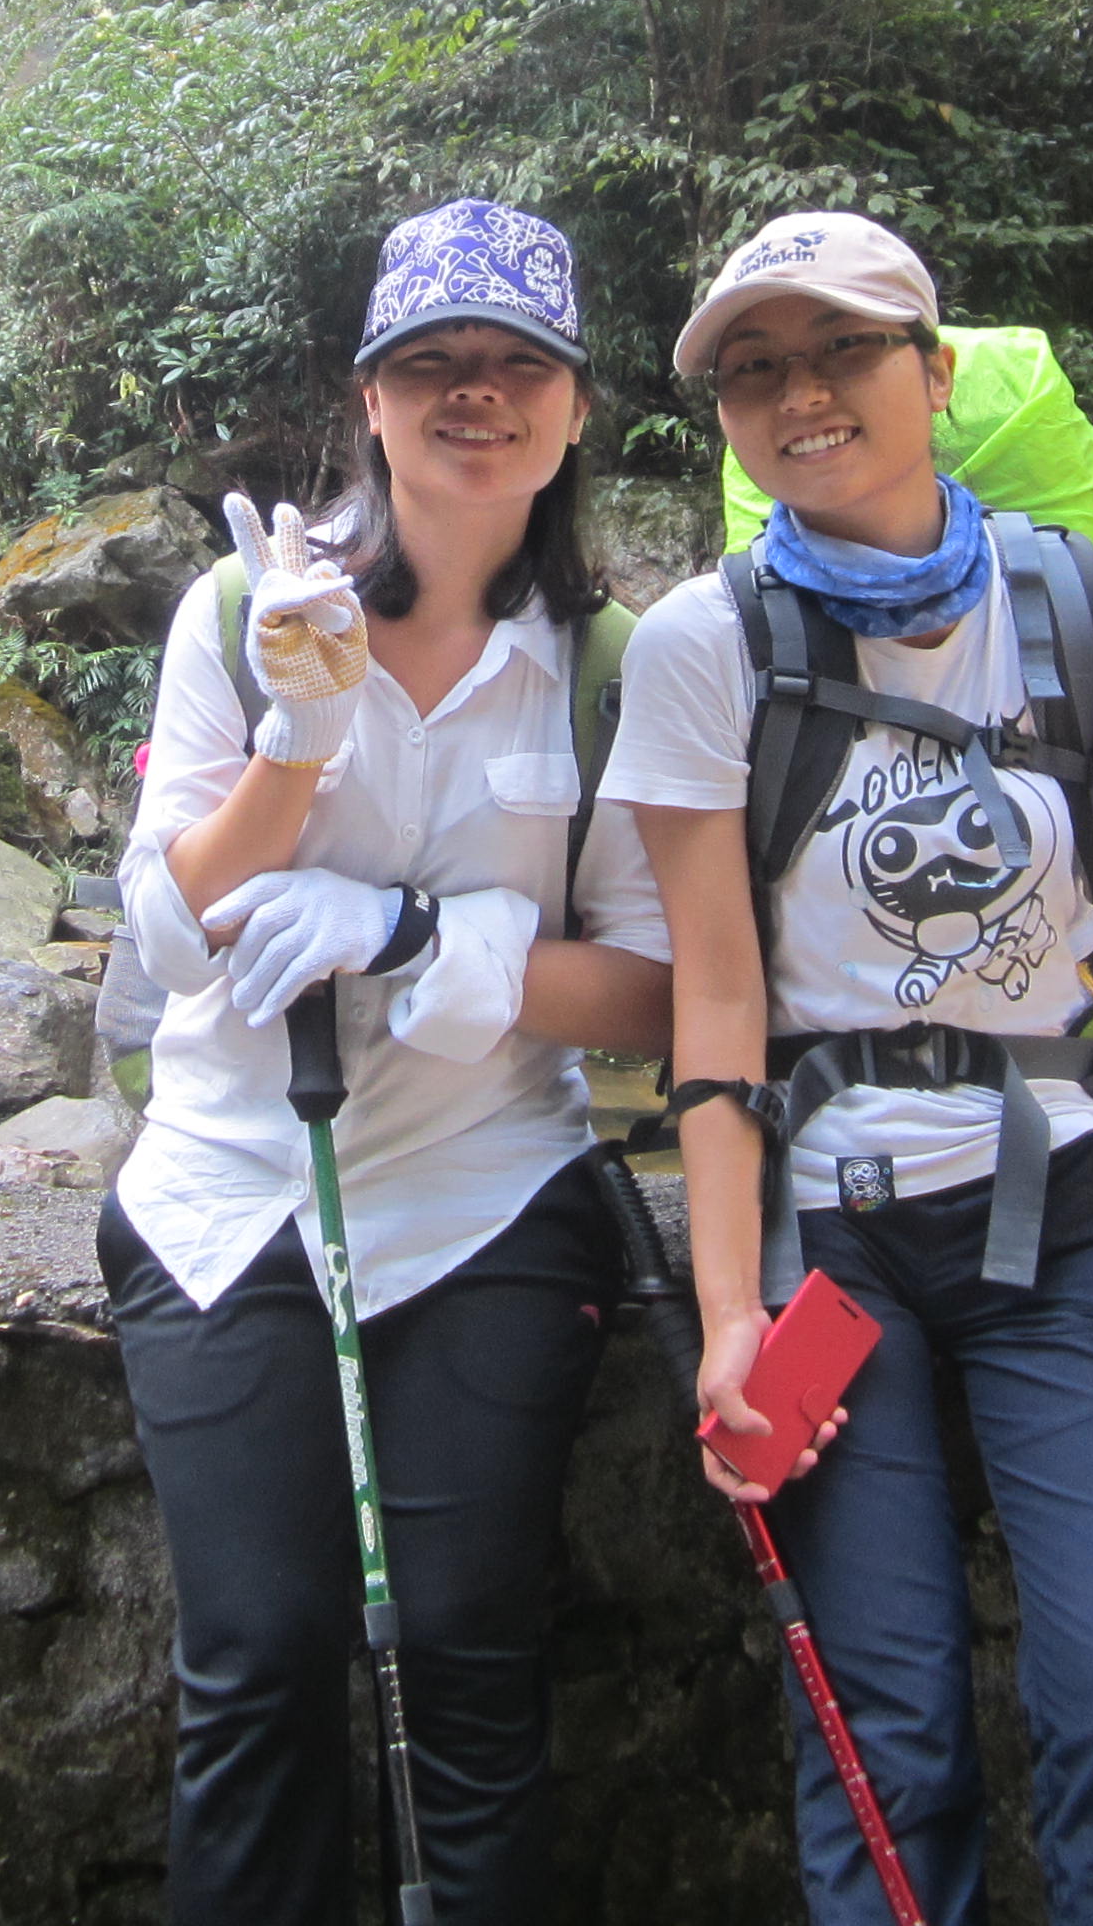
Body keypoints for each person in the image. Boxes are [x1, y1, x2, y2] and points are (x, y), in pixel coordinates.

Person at [603, 211, 1093, 1926]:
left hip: (1065, 1214)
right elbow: (714, 1004)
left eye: (842, 351)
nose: (801, 395)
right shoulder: (705, 645)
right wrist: (724, 1319)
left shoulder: (1071, 598)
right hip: (829, 1237)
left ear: (933, 371)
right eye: (756, 370)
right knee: (879, 1742)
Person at [106, 197, 673, 1924]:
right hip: (228, 1198)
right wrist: (300, 734)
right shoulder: (233, 612)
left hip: (492, 1200)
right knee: (264, 1656)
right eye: (432, 363)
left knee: (465, 1658)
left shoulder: (609, 666)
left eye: (518, 365)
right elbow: (164, 931)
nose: (474, 396)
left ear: (575, 408)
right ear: (368, 396)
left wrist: (426, 940)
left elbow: (653, 993)